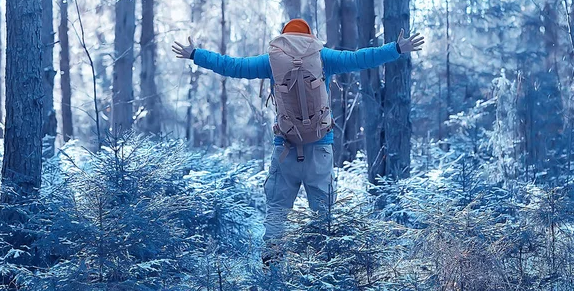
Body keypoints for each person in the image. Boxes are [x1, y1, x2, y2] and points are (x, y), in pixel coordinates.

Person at [172, 18, 425, 266]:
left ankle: (272, 271)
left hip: (286, 148)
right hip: (320, 148)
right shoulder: (323, 56)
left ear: (284, 37)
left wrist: (196, 54)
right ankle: (327, 271)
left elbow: (233, 66)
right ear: (309, 37)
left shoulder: (272, 60)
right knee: (323, 216)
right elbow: (361, 58)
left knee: (278, 210)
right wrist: (396, 48)